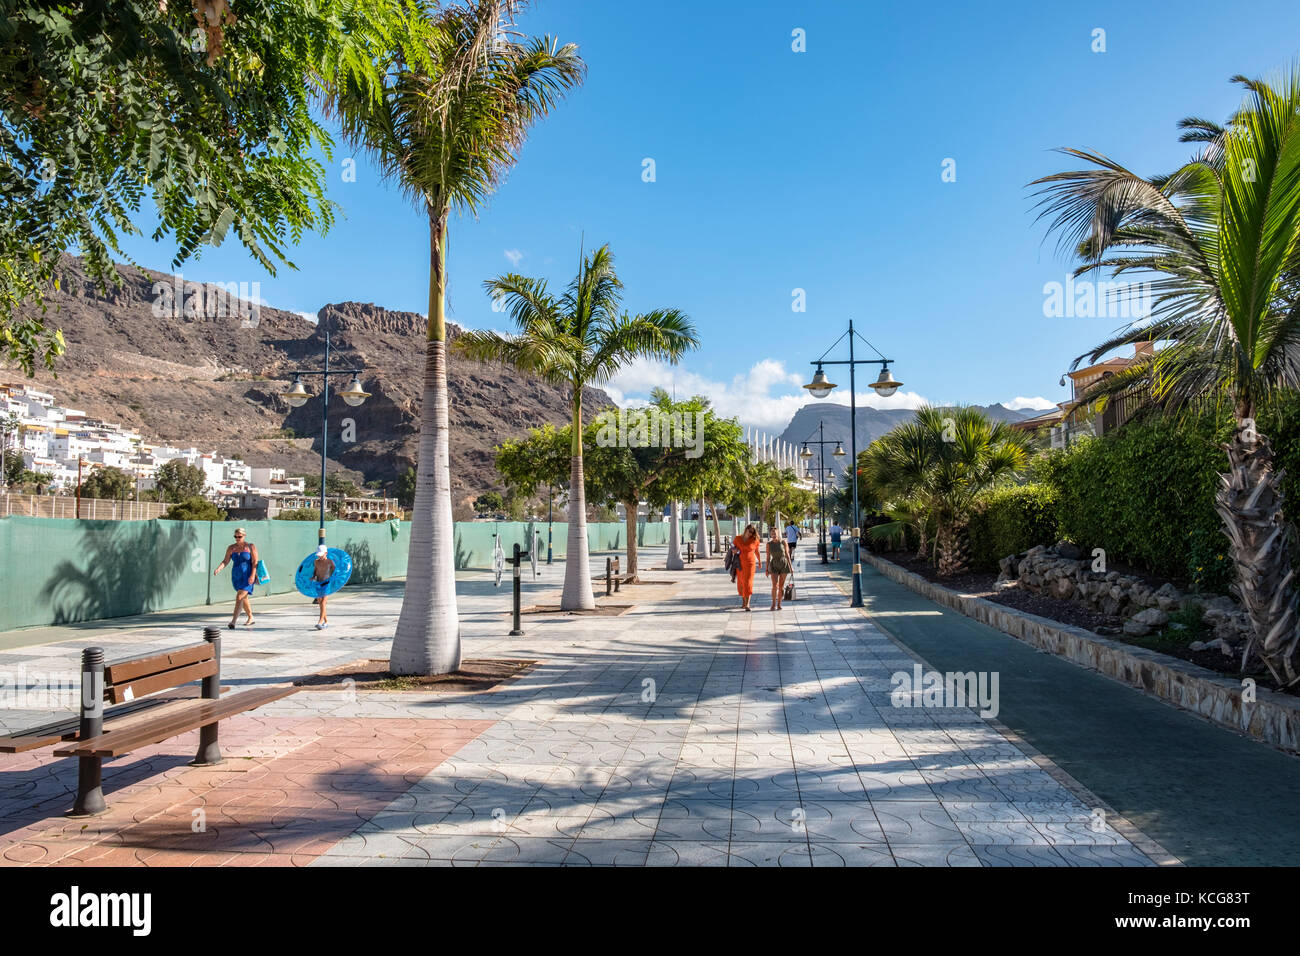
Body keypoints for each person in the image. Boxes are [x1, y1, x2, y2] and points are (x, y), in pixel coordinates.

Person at [214, 528, 258, 628]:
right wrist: (218, 568)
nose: (237, 538)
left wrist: (252, 575)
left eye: (239, 536)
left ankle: (233, 621)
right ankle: (251, 617)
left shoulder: (250, 547)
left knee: (239, 597)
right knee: (243, 598)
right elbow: (226, 561)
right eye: (235, 536)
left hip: (247, 576)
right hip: (236, 576)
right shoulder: (231, 548)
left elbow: (255, 562)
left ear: (244, 535)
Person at [732, 524, 761, 611]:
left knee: (748, 582)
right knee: (741, 583)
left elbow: (757, 551)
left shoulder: (754, 540)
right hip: (739, 564)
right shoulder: (737, 538)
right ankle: (743, 602)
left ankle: (747, 604)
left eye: (752, 532)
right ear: (746, 529)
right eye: (750, 531)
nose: (751, 533)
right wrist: (734, 551)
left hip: (750, 564)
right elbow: (733, 549)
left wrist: (759, 561)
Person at [766, 527, 792, 611]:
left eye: (775, 533)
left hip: (783, 564)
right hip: (774, 565)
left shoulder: (783, 542)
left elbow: (787, 555)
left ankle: (779, 604)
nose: (773, 534)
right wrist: (766, 569)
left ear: (778, 533)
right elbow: (767, 558)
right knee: (774, 585)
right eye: (772, 533)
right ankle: (773, 604)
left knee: (781, 586)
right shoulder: (769, 544)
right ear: (770, 534)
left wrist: (791, 567)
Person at [311, 545, 336, 630]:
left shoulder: (330, 562)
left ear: (326, 553)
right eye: (318, 555)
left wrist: (334, 579)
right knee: (320, 603)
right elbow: (315, 570)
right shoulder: (316, 562)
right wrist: (313, 576)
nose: (320, 556)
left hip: (327, 583)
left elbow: (336, 571)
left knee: (323, 603)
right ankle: (326, 622)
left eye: (321, 555)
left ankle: (320, 622)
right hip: (318, 583)